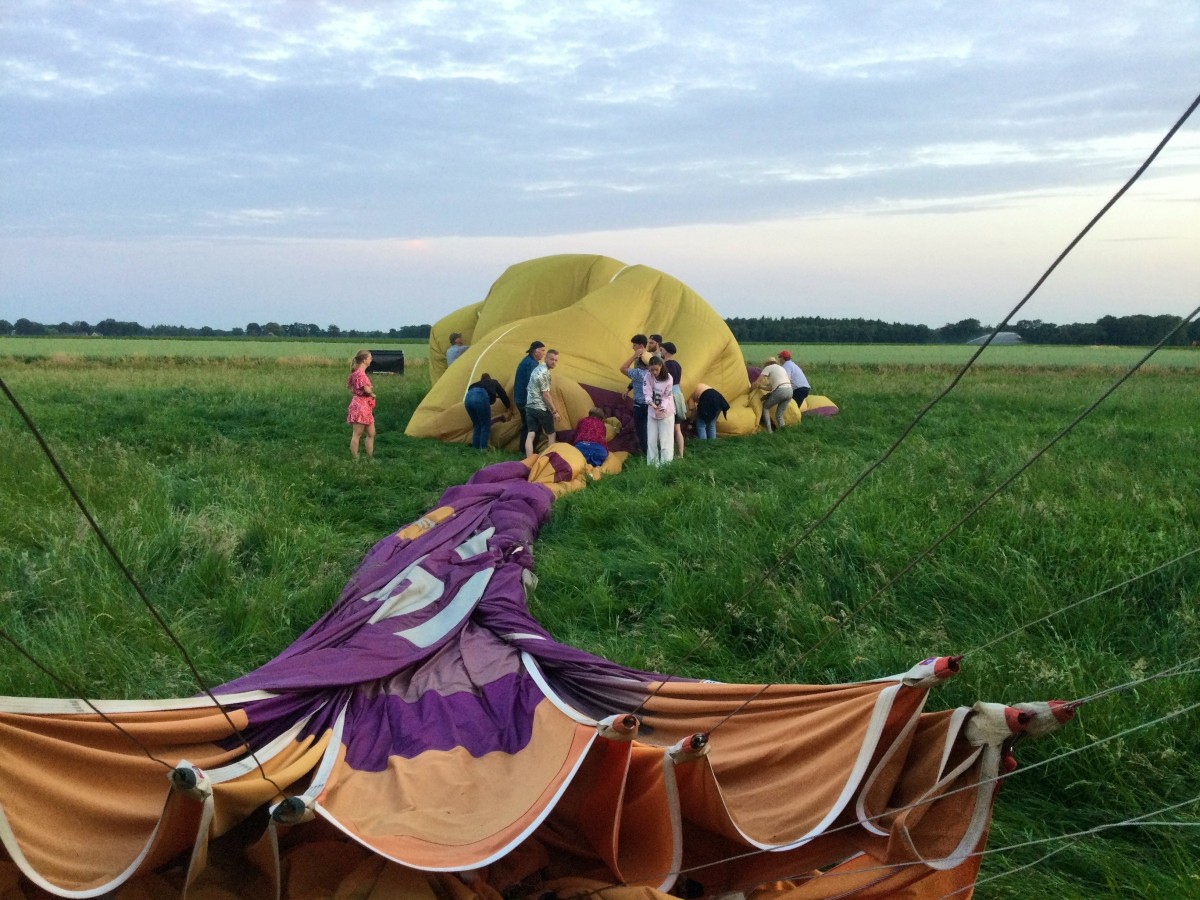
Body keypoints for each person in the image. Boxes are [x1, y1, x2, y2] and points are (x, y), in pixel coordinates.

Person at [524, 348, 562, 456]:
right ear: (546, 358)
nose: (554, 362)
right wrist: (554, 411)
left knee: (531, 434)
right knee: (551, 434)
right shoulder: (545, 373)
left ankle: (528, 460)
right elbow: (546, 395)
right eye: (551, 359)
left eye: (556, 360)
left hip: (529, 406)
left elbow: (528, 387)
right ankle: (548, 460)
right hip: (540, 408)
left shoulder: (536, 369)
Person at [463, 373, 511, 451]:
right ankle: (483, 449)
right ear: (489, 378)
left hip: (468, 398)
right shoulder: (494, 382)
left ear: (481, 379)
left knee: (477, 425)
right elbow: (503, 394)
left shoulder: (474, 384)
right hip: (480, 396)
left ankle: (475, 448)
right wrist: (508, 406)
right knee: (485, 424)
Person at [620, 335, 651, 453]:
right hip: (651, 403)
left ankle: (645, 452)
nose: (633, 348)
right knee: (649, 428)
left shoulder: (638, 373)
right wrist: (628, 389)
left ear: (641, 347)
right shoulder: (652, 372)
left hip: (640, 404)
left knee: (641, 429)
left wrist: (634, 356)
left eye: (634, 345)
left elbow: (623, 368)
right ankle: (652, 451)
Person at [643, 355, 675, 465]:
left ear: (661, 366)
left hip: (666, 413)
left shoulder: (669, 378)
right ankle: (653, 464)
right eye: (651, 370)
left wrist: (661, 408)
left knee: (666, 441)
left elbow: (667, 396)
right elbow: (647, 393)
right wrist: (651, 404)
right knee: (651, 440)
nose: (654, 372)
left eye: (656, 369)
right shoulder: (647, 376)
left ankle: (666, 464)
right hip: (652, 412)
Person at [346, 349, 377, 460]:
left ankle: (369, 457)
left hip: (362, 405)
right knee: (357, 434)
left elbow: (350, 387)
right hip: (361, 405)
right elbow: (366, 389)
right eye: (370, 357)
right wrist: (372, 394)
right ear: (364, 360)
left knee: (371, 433)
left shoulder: (355, 373)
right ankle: (355, 458)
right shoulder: (360, 374)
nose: (371, 359)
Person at [660, 341, 686, 458]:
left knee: (667, 428)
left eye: (661, 350)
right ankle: (680, 454)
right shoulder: (678, 365)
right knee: (677, 429)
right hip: (678, 396)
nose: (660, 352)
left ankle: (667, 454)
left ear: (665, 351)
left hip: (670, 398)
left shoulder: (664, 366)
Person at [513, 341, 546, 427]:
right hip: (525, 400)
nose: (544, 353)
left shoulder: (527, 360)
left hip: (519, 399)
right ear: (535, 352)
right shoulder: (531, 364)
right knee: (533, 426)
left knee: (527, 424)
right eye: (542, 350)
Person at [758, 356, 793, 433]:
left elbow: (758, 380)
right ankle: (784, 431)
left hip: (781, 390)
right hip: (790, 391)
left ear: (767, 364)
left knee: (766, 407)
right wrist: (761, 387)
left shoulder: (768, 368)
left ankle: (769, 431)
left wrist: (754, 386)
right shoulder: (781, 368)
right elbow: (770, 388)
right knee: (779, 414)